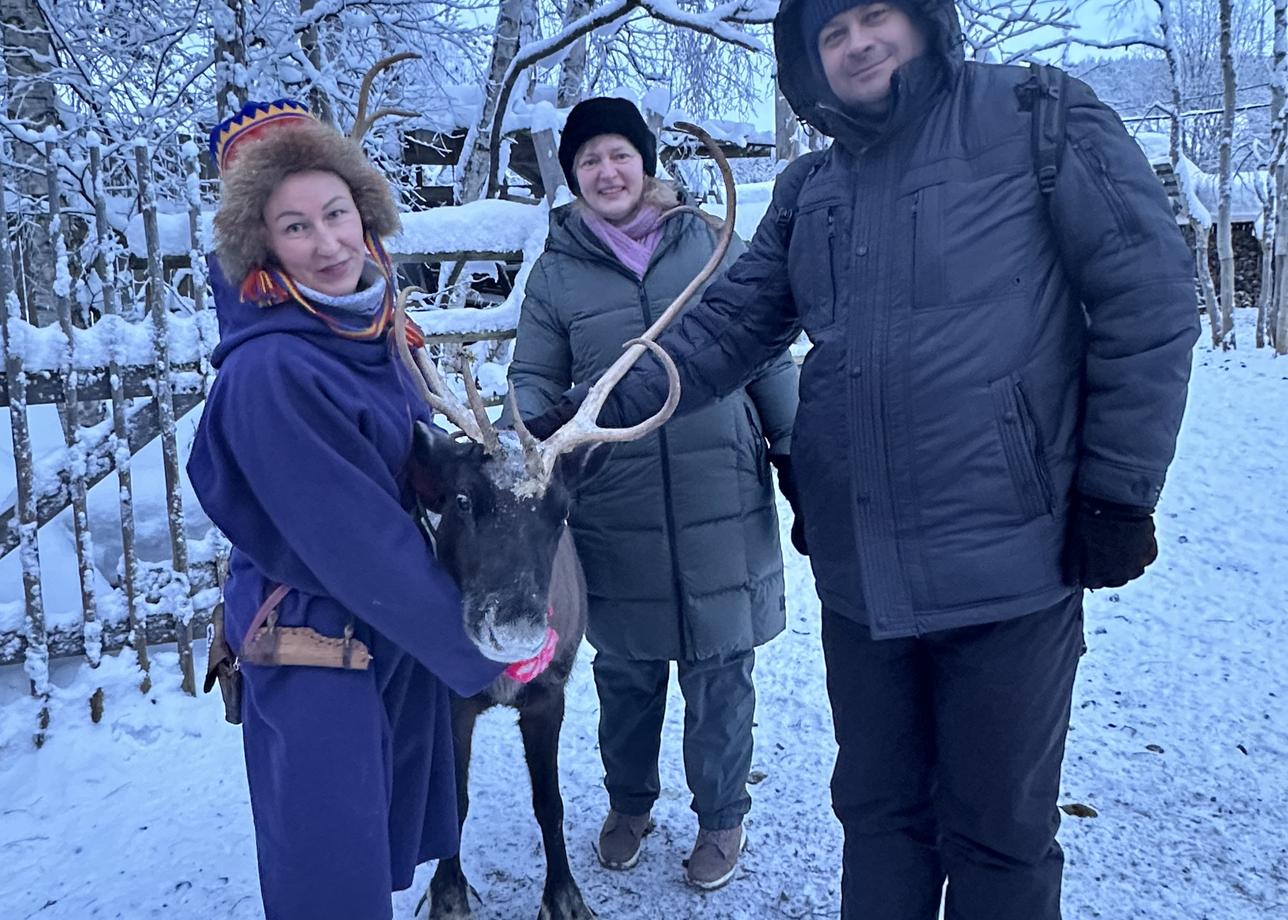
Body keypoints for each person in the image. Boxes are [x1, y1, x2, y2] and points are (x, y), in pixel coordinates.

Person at [524, 3, 1201, 918]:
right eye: (829, 34)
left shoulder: (1040, 119)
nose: (855, 43)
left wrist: (1119, 491)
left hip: (1008, 567)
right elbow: (723, 334)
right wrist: (572, 421)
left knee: (998, 832)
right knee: (880, 817)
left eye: (875, 14)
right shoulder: (813, 188)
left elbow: (1147, 297)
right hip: (860, 579)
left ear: (926, 21)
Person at [187, 99, 547, 919]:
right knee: (329, 884)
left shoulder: (362, 330)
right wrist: (489, 650)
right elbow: (361, 544)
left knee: (358, 857)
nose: (330, 243)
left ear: (367, 212)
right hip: (318, 646)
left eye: (338, 213)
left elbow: (391, 463)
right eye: (295, 227)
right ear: (259, 245)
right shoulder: (275, 368)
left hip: (370, 642)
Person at [507, 96, 800, 891]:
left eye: (620, 155)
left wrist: (795, 452)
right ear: (571, 176)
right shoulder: (557, 271)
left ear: (647, 162)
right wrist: (539, 442)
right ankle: (629, 804)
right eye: (589, 160)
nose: (607, 171)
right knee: (626, 672)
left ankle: (721, 817)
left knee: (721, 670)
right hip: (615, 500)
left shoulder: (711, 244)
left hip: (721, 493)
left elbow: (768, 351)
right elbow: (534, 374)